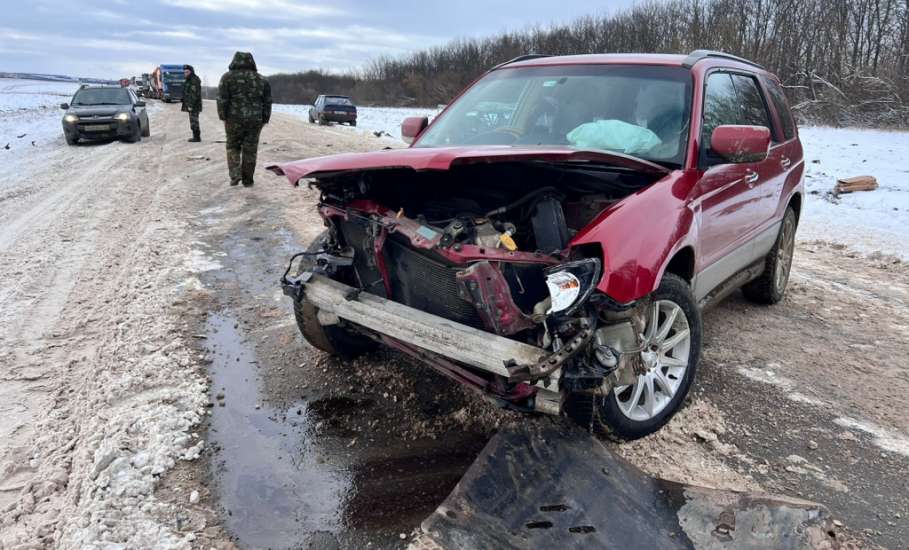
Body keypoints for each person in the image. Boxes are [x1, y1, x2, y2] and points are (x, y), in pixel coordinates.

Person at [216, 52, 272, 187]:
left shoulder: (227, 78)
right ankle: (248, 180)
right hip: (255, 120)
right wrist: (265, 119)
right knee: (250, 150)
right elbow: (267, 101)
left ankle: (235, 176)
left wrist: (223, 116)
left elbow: (222, 99)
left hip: (233, 119)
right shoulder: (261, 80)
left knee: (232, 146)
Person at [181, 65, 202, 142]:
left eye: (187, 72)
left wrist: (190, 105)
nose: (185, 73)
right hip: (191, 104)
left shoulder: (194, 80)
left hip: (194, 105)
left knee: (194, 121)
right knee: (192, 120)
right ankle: (195, 136)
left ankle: (197, 137)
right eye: (184, 72)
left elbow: (194, 94)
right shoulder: (189, 80)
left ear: (191, 72)